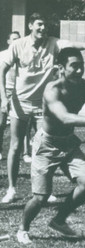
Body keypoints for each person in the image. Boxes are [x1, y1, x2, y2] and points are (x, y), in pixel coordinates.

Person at [0, 13, 85, 204]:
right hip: (21, 102)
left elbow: (69, 44)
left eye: (45, 25)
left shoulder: (53, 43)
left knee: (46, 148)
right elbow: (2, 70)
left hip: (44, 105)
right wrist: (4, 98)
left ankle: (44, 189)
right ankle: (11, 189)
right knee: (15, 145)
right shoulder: (18, 45)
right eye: (39, 25)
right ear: (30, 26)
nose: (43, 29)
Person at [16, 48, 85, 244]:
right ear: (61, 68)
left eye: (81, 66)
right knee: (41, 197)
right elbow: (66, 117)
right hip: (46, 145)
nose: (79, 70)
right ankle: (23, 229)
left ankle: (59, 220)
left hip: (69, 143)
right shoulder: (52, 90)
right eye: (74, 66)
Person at [0, 31, 21, 161]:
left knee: (21, 124)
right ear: (8, 41)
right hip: (4, 91)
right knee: (1, 123)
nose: (16, 42)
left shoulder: (22, 54)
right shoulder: (2, 55)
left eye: (18, 39)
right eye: (13, 39)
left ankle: (24, 153)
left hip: (18, 92)